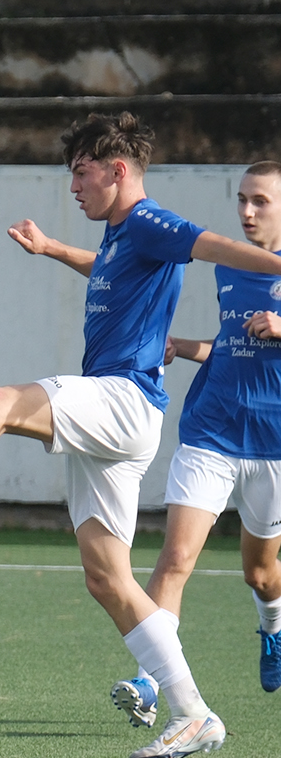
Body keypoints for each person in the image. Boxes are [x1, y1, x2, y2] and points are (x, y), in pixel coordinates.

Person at [0, 112, 281, 758]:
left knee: (1, 402)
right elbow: (104, 266)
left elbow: (209, 244)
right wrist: (50, 250)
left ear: (118, 171)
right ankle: (194, 716)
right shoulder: (124, 239)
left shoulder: (152, 222)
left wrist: (275, 263)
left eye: (81, 171)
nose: (73, 186)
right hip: (124, 421)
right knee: (108, 578)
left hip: (124, 400)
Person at [112, 161, 281, 720]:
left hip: (274, 447)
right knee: (176, 557)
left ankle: (272, 627)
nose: (247, 212)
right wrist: (186, 346)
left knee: (260, 573)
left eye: (260, 201)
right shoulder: (229, 266)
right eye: (241, 200)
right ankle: (150, 680)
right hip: (211, 431)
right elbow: (234, 345)